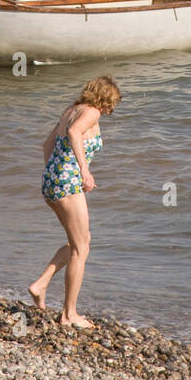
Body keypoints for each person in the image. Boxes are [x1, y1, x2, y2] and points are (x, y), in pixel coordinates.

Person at [29, 75, 122, 328]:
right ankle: (69, 315)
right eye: (112, 103)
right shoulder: (91, 112)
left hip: (52, 181)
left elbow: (47, 144)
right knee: (81, 249)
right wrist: (83, 171)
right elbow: (74, 132)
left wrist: (55, 172)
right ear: (105, 98)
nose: (111, 109)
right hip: (68, 183)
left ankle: (41, 284)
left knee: (79, 242)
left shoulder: (71, 109)